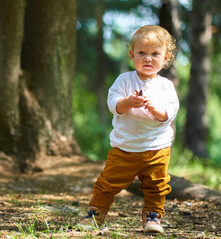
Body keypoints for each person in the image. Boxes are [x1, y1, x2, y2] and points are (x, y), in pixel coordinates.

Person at [77, 25, 179, 233]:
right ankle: (96, 214)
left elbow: (168, 114)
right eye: (142, 53)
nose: (148, 58)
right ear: (132, 55)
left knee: (157, 185)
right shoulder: (124, 80)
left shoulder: (166, 86)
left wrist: (153, 108)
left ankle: (152, 216)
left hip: (156, 148)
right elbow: (113, 104)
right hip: (125, 147)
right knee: (108, 183)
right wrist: (129, 102)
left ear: (166, 57)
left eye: (155, 54)